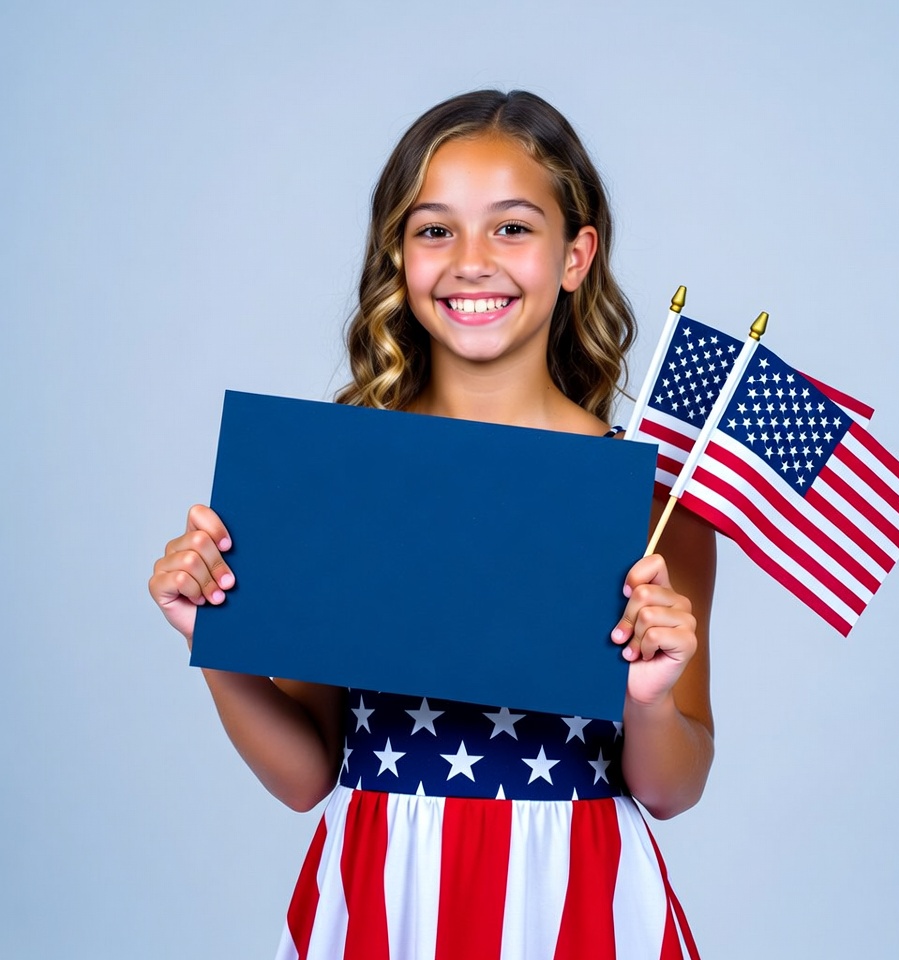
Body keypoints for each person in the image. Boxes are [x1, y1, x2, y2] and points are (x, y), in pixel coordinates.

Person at [149, 89, 716, 959]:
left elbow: (673, 787)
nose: (473, 261)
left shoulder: (651, 501)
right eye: (435, 228)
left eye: (515, 227)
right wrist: (215, 645)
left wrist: (647, 699)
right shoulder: (342, 475)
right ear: (400, 257)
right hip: (383, 895)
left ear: (576, 255)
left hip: (578, 901)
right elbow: (307, 776)